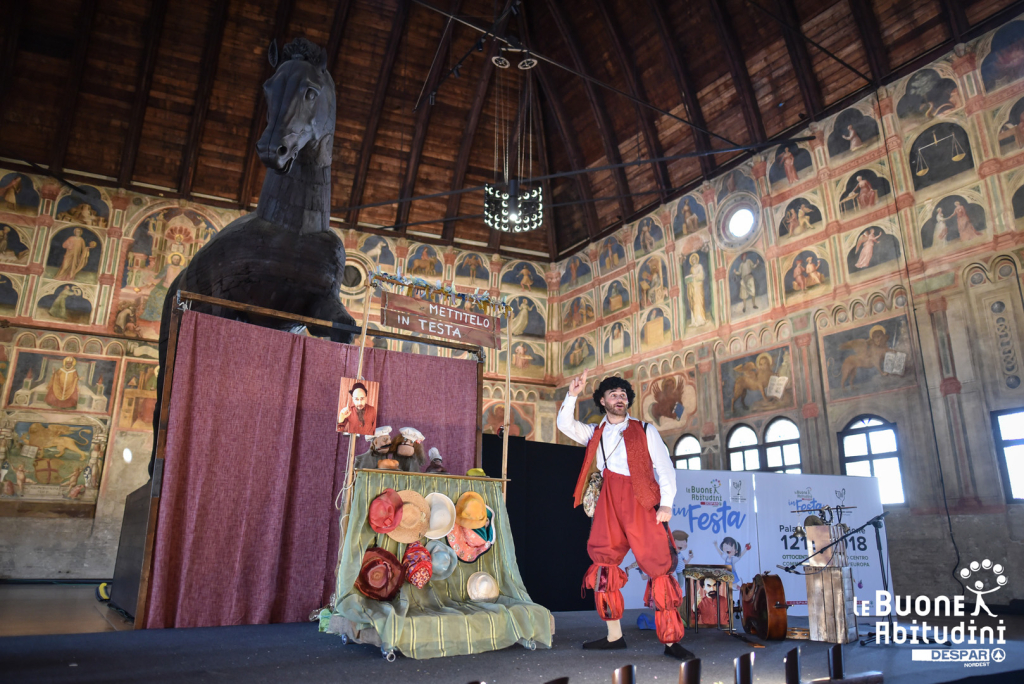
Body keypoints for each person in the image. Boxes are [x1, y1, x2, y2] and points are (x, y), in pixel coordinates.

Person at [557, 370, 692, 660]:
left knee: (660, 567)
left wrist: (667, 504)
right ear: (602, 401)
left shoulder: (646, 430)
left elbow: (664, 467)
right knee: (604, 565)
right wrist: (572, 395)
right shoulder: (595, 433)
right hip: (608, 502)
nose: (619, 398)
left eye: (623, 395)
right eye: (613, 394)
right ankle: (614, 636)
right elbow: (564, 424)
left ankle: (671, 641)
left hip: (641, 501)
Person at [685, 253, 707, 326]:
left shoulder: (700, 266)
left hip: (699, 287)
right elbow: (690, 277)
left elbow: (702, 275)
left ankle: (701, 319)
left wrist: (695, 276)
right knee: (694, 302)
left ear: (697, 259)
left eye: (694, 259)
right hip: (693, 287)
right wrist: (689, 280)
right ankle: (695, 320)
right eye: (692, 259)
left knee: (699, 302)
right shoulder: (691, 268)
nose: (693, 260)